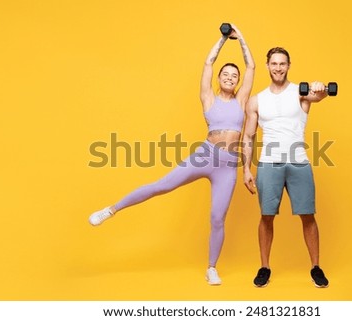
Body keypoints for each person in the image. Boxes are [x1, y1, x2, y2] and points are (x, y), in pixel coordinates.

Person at [89, 24, 255, 285]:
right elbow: (208, 62)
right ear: (219, 77)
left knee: (217, 218)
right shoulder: (208, 97)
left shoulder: (242, 101)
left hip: (228, 165)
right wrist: (224, 39)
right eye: (227, 73)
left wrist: (241, 38)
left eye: (235, 76)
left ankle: (211, 267)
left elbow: (252, 68)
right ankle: (111, 210)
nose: (231, 77)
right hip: (205, 155)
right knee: (161, 186)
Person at [242, 47, 329, 288]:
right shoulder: (256, 100)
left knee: (308, 216)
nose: (278, 68)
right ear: (268, 65)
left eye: (282, 64)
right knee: (266, 216)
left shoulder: (300, 93)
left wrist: (320, 88)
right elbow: (248, 136)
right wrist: (246, 169)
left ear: (289, 65)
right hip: (269, 163)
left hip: (298, 162)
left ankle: (316, 267)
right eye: (274, 63)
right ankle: (264, 267)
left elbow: (318, 96)